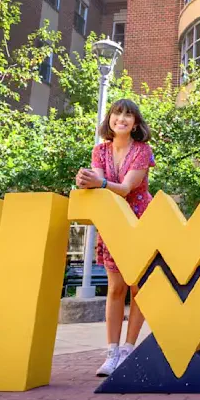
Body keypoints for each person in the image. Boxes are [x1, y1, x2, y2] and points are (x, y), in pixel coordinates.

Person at [75, 98, 156, 377]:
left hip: (140, 222)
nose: (121, 119)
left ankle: (128, 349)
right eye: (116, 114)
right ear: (109, 119)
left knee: (138, 288)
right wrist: (86, 180)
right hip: (112, 225)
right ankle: (111, 352)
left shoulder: (143, 151)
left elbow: (124, 188)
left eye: (128, 115)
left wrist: (100, 183)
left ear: (135, 124)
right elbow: (98, 186)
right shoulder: (100, 151)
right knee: (115, 288)